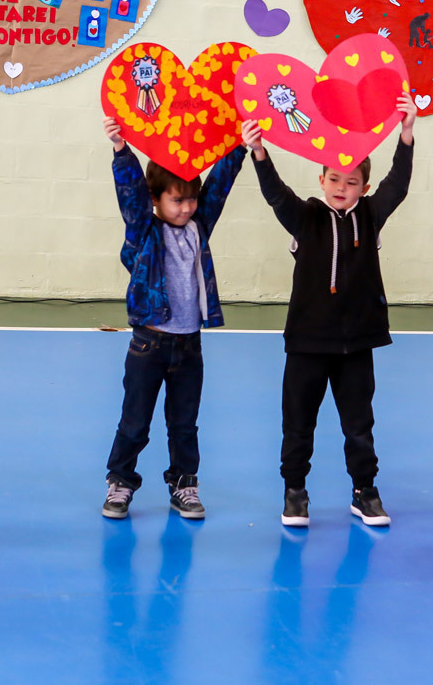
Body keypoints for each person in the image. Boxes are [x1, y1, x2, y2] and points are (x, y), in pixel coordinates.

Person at [241, 94, 416, 528]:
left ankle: (364, 492)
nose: (342, 187)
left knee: (359, 424)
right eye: (334, 178)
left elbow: (398, 184)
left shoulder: (371, 215)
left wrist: (406, 133)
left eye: (352, 181)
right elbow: (276, 194)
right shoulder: (305, 217)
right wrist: (259, 152)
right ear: (321, 179)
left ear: (364, 188)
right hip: (307, 342)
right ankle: (295, 491)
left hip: (357, 344)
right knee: (298, 422)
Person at [100, 117, 246, 521]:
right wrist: (121, 151)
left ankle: (184, 484)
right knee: (135, 422)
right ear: (156, 199)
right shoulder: (143, 231)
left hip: (189, 346)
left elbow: (219, 187)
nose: (186, 208)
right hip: (148, 346)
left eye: (191, 200)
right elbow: (130, 193)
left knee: (185, 424)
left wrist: (239, 146)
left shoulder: (199, 226)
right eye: (177, 200)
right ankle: (120, 482)